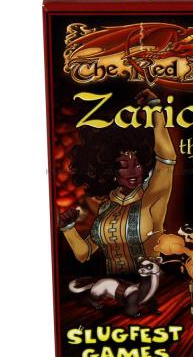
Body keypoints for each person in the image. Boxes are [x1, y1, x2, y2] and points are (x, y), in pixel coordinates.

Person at [58, 89, 176, 275]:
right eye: (124, 166)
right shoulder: (106, 208)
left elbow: (167, 158)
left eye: (138, 164)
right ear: (111, 171)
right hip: (114, 287)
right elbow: (83, 254)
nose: (133, 171)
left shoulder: (152, 197)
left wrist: (156, 110)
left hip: (151, 285)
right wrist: (68, 228)